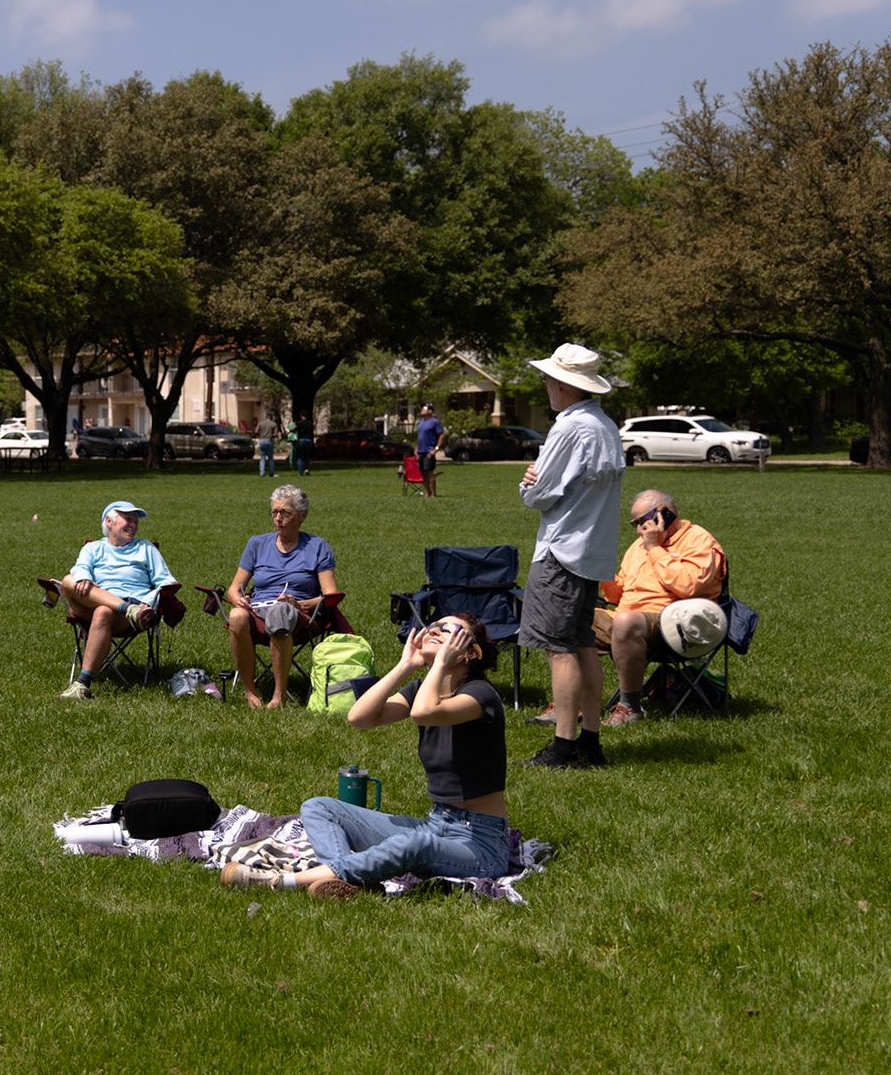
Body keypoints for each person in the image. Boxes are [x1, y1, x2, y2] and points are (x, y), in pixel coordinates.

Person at [225, 614, 506, 900]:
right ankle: (353, 880)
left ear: (470, 652)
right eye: (432, 626)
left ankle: (282, 881)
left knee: (412, 845)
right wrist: (405, 665)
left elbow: (424, 713)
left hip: (479, 843)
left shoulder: (481, 695)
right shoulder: (423, 690)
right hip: (435, 824)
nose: (433, 631)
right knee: (319, 807)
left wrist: (441, 663)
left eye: (447, 629)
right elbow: (359, 717)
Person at [533, 489, 725, 728]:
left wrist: (655, 549)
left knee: (625, 621)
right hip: (626, 616)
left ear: (667, 514)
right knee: (563, 618)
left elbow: (688, 585)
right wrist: (599, 568)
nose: (638, 530)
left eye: (642, 522)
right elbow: (617, 594)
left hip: (674, 621)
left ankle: (630, 706)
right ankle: (571, 702)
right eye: (635, 524)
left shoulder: (698, 539)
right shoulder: (637, 546)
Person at [518, 344, 625, 770]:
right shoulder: (605, 426)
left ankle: (563, 748)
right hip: (593, 552)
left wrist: (528, 483)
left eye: (547, 379)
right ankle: (591, 743)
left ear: (563, 385)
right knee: (582, 645)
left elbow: (538, 494)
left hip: (561, 551)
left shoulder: (568, 429)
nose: (545, 386)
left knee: (559, 649)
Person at [223, 484, 340, 709]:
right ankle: (250, 692)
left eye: (285, 513)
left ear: (302, 516)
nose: (278, 518)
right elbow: (234, 587)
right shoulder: (257, 544)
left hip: (300, 616)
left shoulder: (317, 546)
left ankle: (279, 695)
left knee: (280, 612)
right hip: (258, 609)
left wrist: (300, 604)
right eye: (274, 512)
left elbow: (331, 595)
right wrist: (238, 598)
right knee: (236, 615)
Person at [57, 500, 178, 701]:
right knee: (69, 580)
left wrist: (148, 602)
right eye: (128, 520)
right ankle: (126, 608)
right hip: (94, 606)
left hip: (131, 613)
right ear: (109, 521)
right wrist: (84, 576)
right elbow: (80, 568)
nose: (133, 525)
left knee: (103, 611)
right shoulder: (93, 548)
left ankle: (82, 685)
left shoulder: (145, 548)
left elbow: (165, 582)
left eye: (136, 522)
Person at [415, 404, 446, 498]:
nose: (422, 410)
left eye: (425, 408)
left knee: (429, 471)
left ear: (430, 411)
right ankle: (426, 492)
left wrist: (436, 449)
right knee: (423, 472)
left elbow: (442, 435)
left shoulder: (435, 422)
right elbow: (420, 437)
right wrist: (416, 449)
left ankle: (433, 493)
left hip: (429, 450)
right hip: (421, 451)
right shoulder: (420, 422)